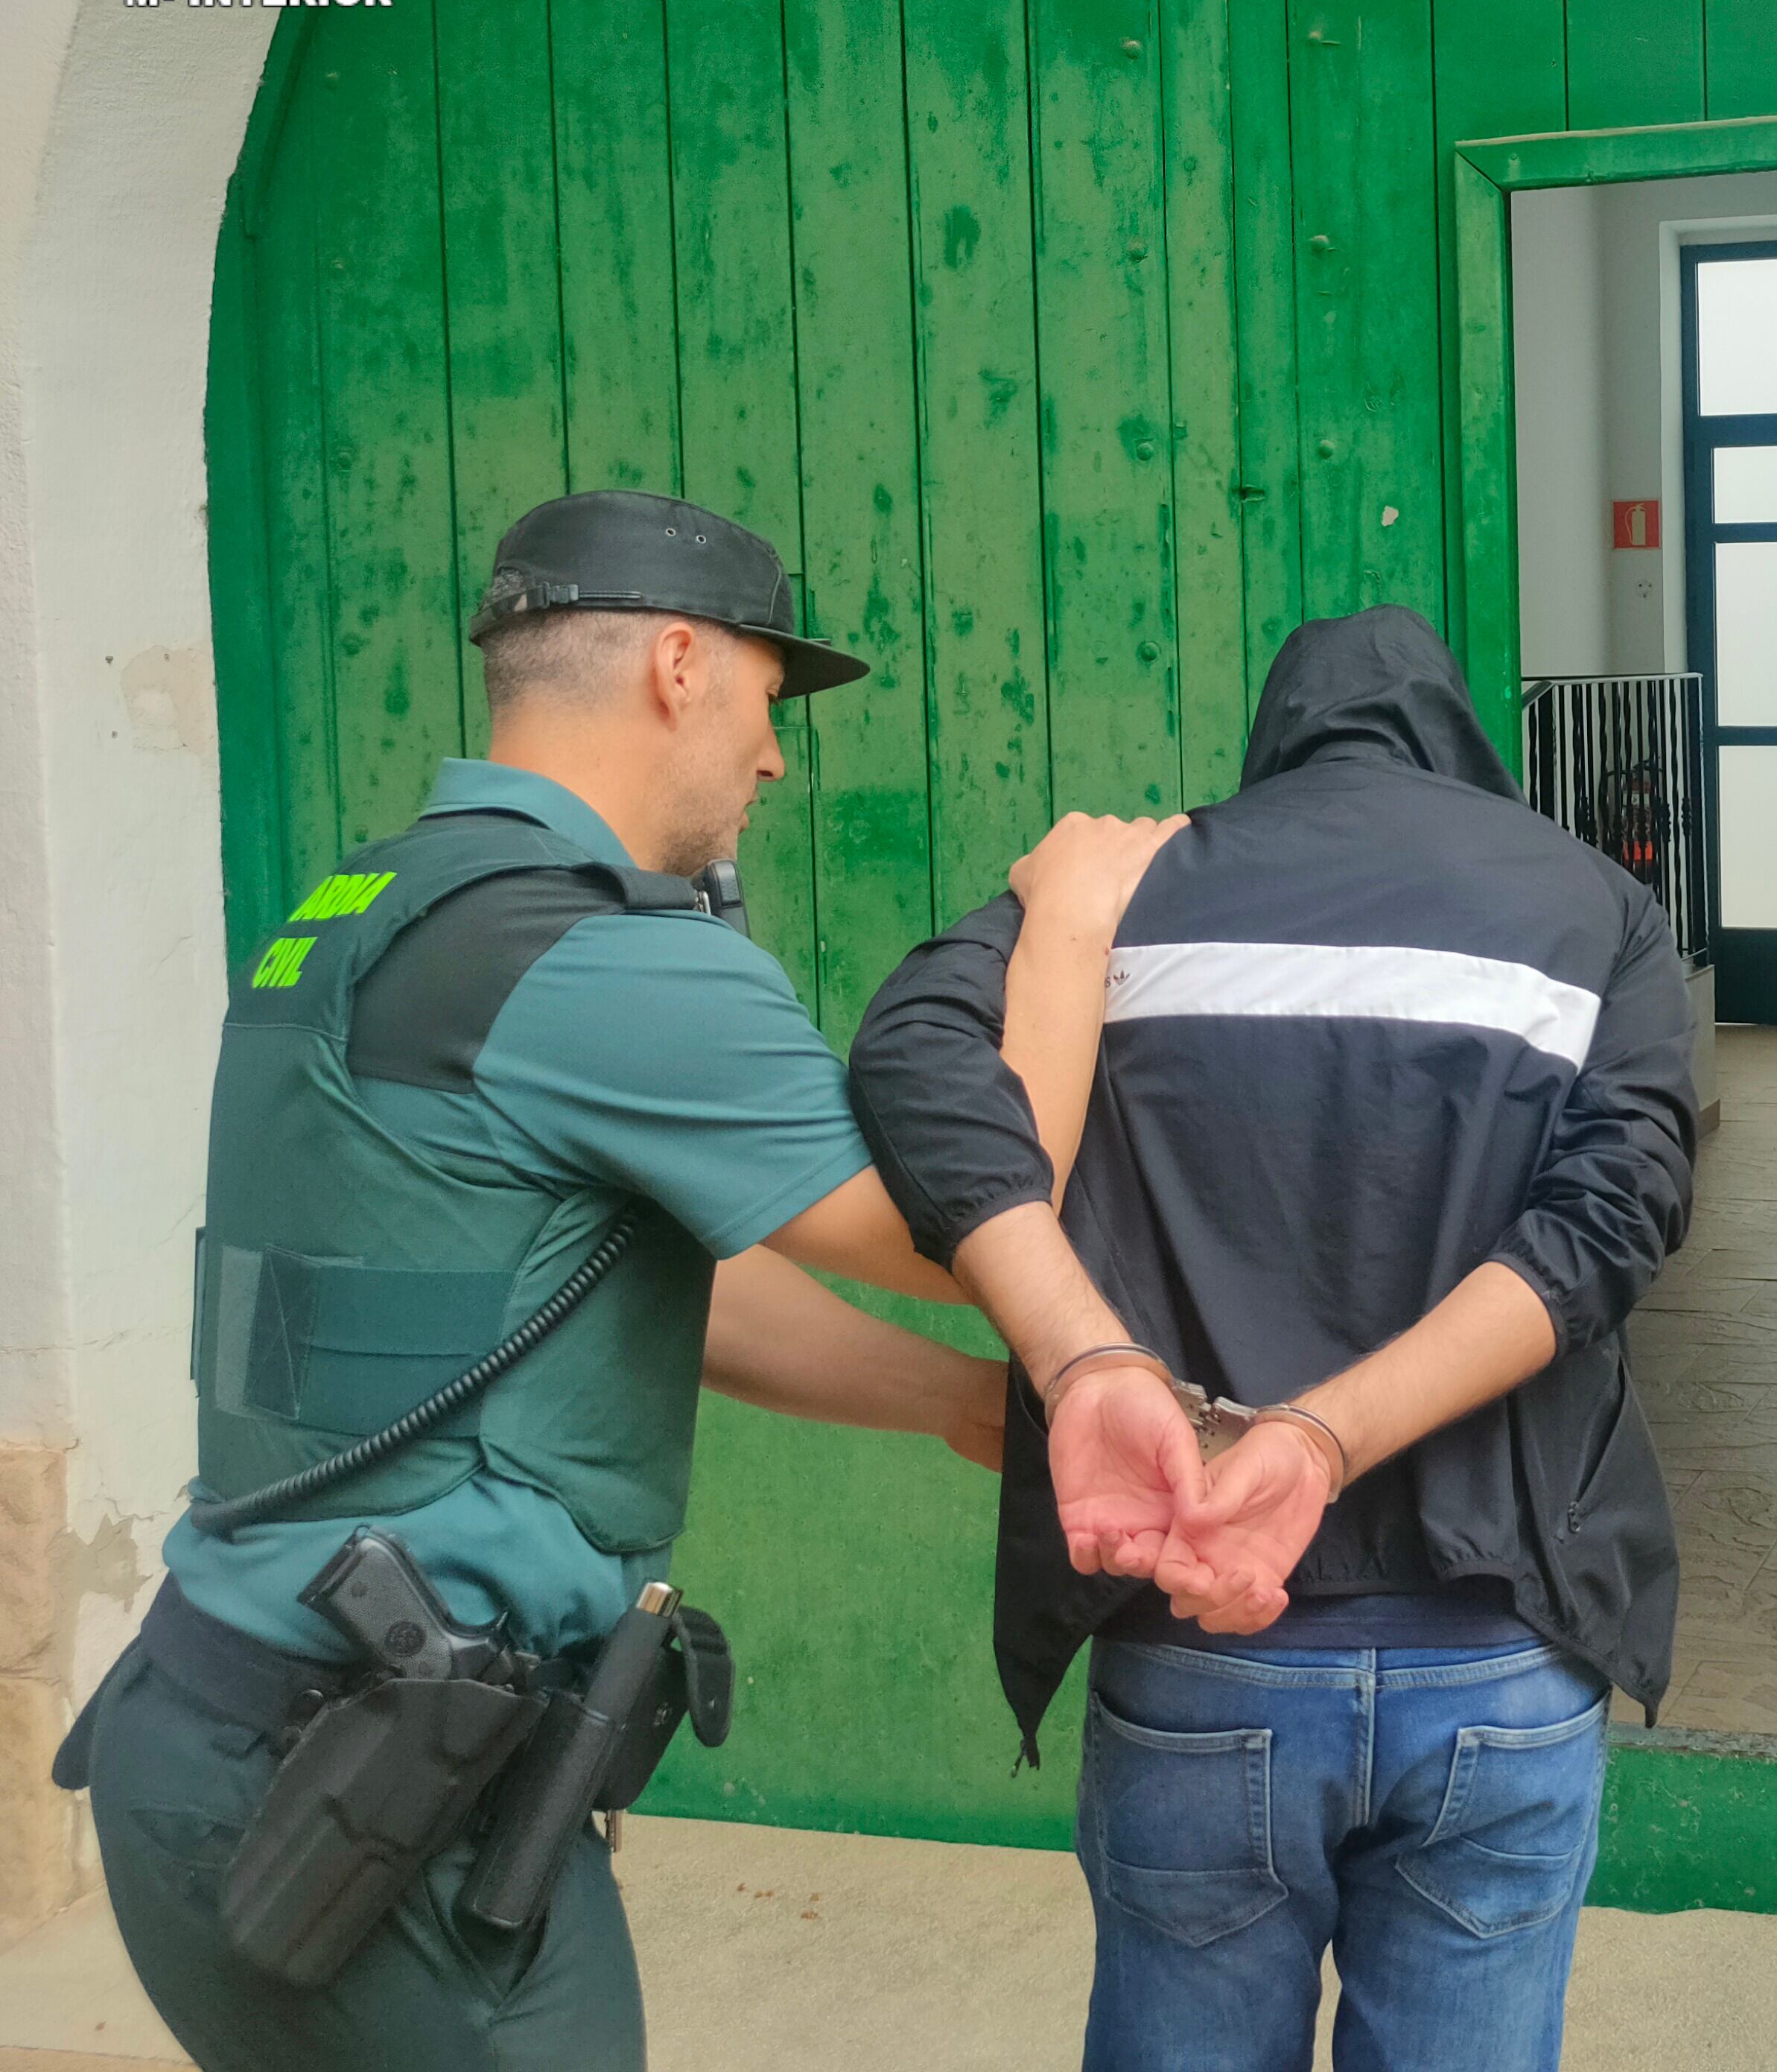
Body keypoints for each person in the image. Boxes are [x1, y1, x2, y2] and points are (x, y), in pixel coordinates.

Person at [53, 491, 1145, 2072]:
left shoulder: (359, 910)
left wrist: (957, 1406)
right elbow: (971, 1230)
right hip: (373, 1808)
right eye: (771, 704)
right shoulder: (605, 958)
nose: (776, 759)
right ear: (681, 667)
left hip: (205, 1747)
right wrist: (1070, 936)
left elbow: (585, 1290)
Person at [849, 604, 1697, 2072]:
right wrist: (1330, 1435)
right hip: (1496, 1660)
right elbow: (1612, 1224)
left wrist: (1044, 907)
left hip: (1202, 1660)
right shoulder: (1588, 907)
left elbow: (911, 1057)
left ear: (1277, 742)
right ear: (1461, 741)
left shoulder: (1123, 890)